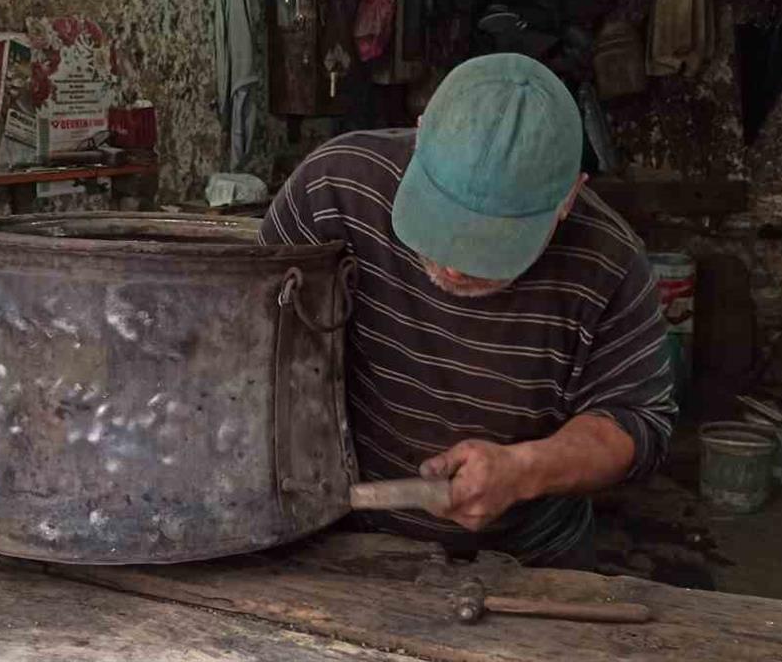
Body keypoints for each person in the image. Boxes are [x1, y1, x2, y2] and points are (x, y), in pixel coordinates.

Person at [260, 53, 675, 569]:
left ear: (569, 198)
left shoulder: (611, 263)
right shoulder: (335, 188)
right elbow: (252, 339)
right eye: (440, 220)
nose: (454, 265)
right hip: (337, 539)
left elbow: (638, 422)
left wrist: (524, 469)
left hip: (523, 558)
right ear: (420, 136)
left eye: (490, 242)